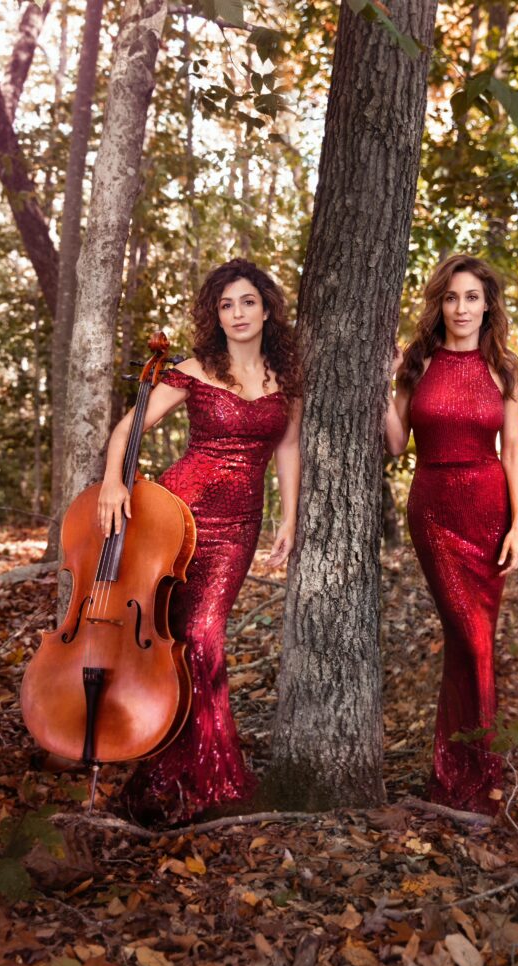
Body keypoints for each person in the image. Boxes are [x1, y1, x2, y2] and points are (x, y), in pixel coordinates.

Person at [98, 259, 302, 825]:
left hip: (238, 525)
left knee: (202, 635)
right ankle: (183, 769)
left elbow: (287, 447)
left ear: (267, 309)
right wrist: (115, 481)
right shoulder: (193, 369)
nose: (237, 314)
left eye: (248, 303)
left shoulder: (287, 377)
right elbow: (127, 429)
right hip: (176, 517)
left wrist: (289, 517)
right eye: (226, 305)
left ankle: (199, 772)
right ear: (216, 314)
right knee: (176, 638)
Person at [386, 254, 518, 816]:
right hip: (435, 509)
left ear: (487, 303)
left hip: (489, 506)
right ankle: (471, 774)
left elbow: (513, 450)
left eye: (472, 297)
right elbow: (396, 444)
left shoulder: (504, 368)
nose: (462, 308)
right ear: (438, 304)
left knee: (476, 643)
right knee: (469, 638)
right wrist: (380, 385)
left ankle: (462, 774)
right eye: (451, 297)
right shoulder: (417, 364)